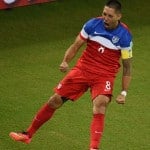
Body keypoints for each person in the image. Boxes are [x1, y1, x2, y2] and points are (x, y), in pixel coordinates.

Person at [9, 0, 133, 149]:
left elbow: (127, 67)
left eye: (110, 16)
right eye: (104, 14)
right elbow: (76, 45)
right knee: (54, 101)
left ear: (119, 16)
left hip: (104, 75)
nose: (105, 18)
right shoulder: (92, 24)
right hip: (82, 69)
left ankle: (94, 148)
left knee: (100, 104)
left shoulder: (125, 36)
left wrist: (124, 92)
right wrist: (65, 61)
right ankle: (27, 135)